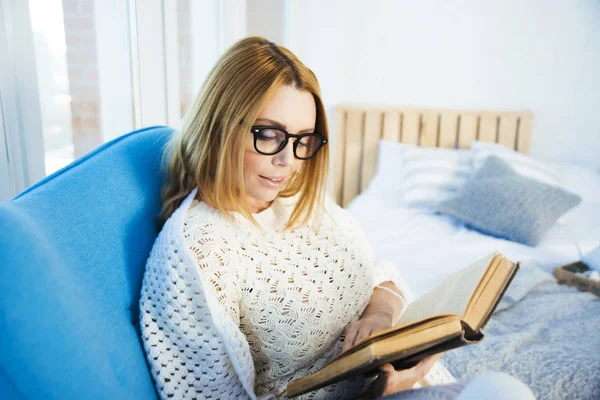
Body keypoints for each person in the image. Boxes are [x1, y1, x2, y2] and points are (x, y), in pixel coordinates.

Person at [138, 37, 532, 400]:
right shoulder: (197, 251)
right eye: (269, 134)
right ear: (220, 126)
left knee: (505, 389)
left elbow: (380, 273)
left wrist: (380, 315)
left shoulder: (300, 203)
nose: (288, 161)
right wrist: (375, 394)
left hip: (412, 382)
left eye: (303, 139)